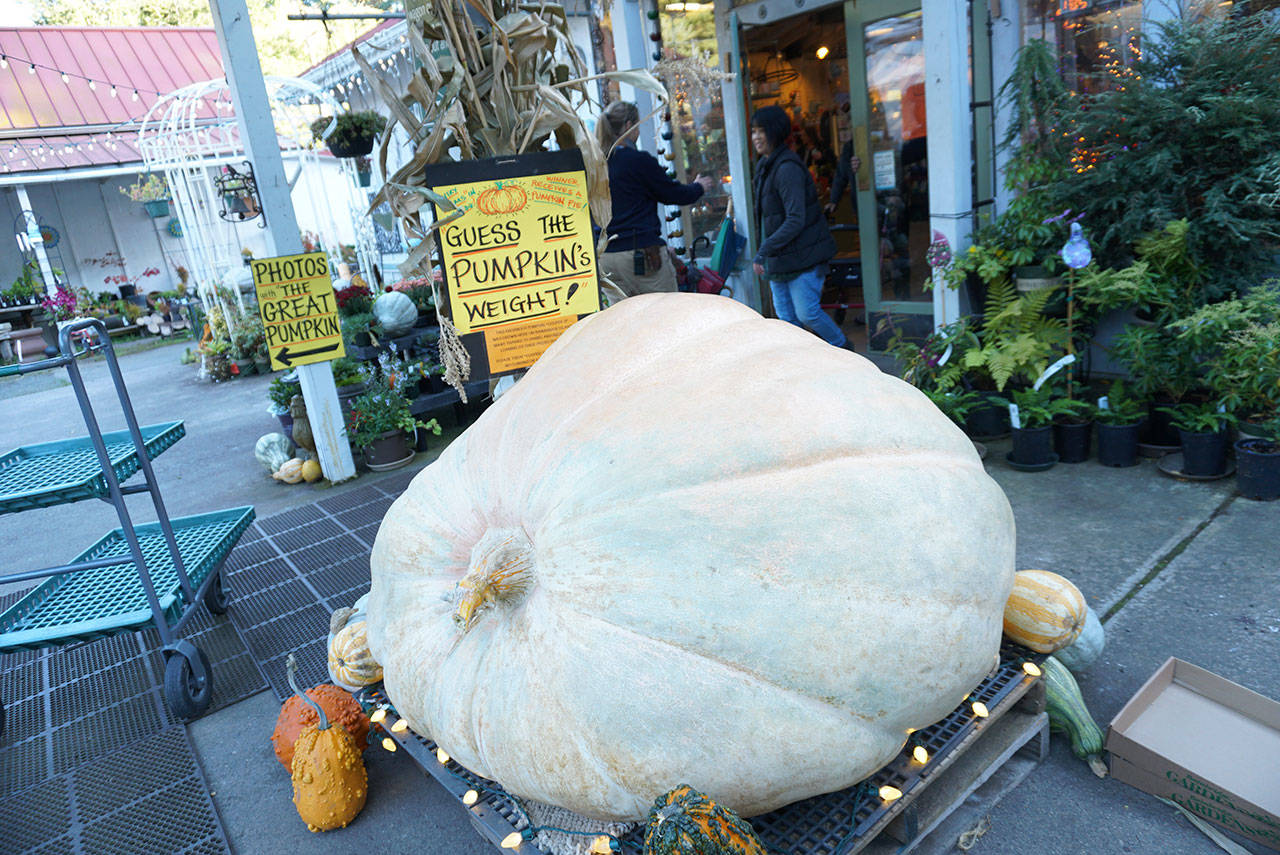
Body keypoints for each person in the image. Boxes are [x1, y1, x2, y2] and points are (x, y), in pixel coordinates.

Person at [750, 106, 852, 351]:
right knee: (787, 321)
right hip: (781, 258)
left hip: (803, 255)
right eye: (753, 131)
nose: (755, 137)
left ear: (774, 132)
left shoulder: (786, 168)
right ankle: (804, 364)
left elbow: (796, 219)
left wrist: (764, 249)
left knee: (807, 314)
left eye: (761, 131)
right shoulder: (765, 166)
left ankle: (843, 347)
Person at [596, 101, 714, 301]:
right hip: (640, 256)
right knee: (665, 314)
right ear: (628, 126)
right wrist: (699, 186)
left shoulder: (595, 165)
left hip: (605, 259)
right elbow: (673, 194)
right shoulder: (637, 161)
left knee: (625, 322)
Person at [823, 140, 863, 216]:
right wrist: (833, 200)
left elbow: (840, 176)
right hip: (860, 205)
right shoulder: (849, 147)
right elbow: (840, 175)